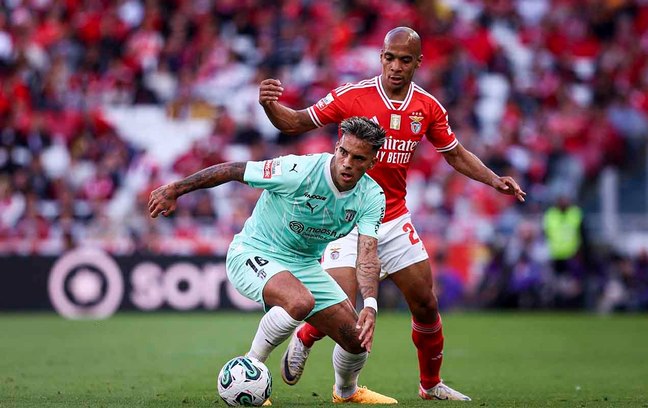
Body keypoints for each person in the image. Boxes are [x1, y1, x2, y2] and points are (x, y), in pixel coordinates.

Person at [258, 26, 527, 401]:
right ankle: (306, 337)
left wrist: (494, 179)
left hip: (394, 218)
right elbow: (296, 121)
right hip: (347, 218)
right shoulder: (354, 96)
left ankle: (430, 385)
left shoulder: (427, 106)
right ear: (380, 57)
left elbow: (454, 153)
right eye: (389, 58)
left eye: (404, 60)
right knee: (340, 303)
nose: (395, 66)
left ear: (418, 62)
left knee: (426, 302)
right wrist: (270, 105)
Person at [148, 117, 397, 405]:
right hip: (255, 252)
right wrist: (175, 189)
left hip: (304, 264)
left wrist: (370, 305)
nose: (346, 163)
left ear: (372, 163)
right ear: (336, 146)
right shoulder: (297, 170)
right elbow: (232, 170)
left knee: (356, 340)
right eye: (343, 152)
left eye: (358, 158)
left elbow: (367, 255)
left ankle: (346, 392)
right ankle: (250, 367)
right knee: (300, 301)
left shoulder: (371, 195)